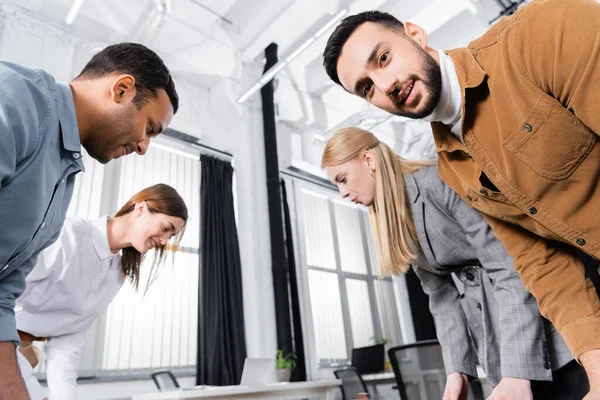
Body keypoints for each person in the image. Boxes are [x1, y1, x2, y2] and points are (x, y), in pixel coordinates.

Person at [322, 1, 600, 397]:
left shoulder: (537, 33)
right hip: (547, 332)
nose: (384, 86)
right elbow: (539, 259)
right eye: (367, 88)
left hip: (545, 341)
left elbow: (507, 269)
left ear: (415, 34)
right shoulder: (455, 165)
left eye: (383, 58)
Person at [322, 127, 589, 400]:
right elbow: (441, 299)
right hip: (496, 339)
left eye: (343, 179)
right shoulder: (399, 222)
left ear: (368, 161)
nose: (343, 192)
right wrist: (456, 372)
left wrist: (517, 374)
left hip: (545, 328)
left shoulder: (439, 181)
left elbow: (507, 267)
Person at [0, 42, 179, 399]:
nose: (144, 147)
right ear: (122, 89)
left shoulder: (63, 177)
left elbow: (5, 292)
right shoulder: (18, 96)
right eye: (150, 128)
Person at [15, 184, 187, 400]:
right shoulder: (67, 236)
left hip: (20, 353)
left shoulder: (118, 271)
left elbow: (68, 339)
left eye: (170, 237)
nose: (163, 241)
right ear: (141, 208)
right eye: (165, 228)